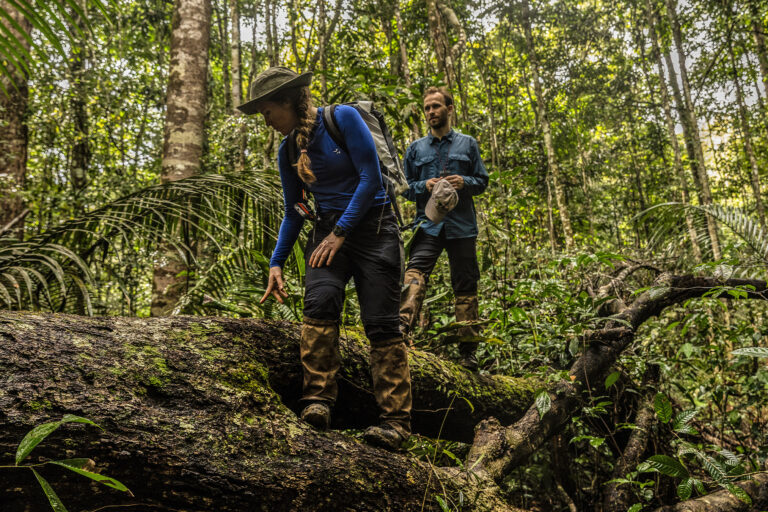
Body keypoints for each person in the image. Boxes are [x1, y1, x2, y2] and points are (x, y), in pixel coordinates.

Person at [236, 67, 412, 450]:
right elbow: (295, 209)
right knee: (319, 303)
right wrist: (276, 261)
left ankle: (396, 422)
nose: (266, 122)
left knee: (382, 324)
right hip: (328, 231)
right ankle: (317, 400)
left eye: (268, 112)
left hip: (374, 228)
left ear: (287, 101)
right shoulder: (288, 150)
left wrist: (340, 232)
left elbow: (371, 179)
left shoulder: (342, 119)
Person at [400, 87, 489, 370]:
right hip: (428, 226)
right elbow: (402, 187)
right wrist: (421, 186)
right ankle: (400, 333)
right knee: (414, 272)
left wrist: (465, 182)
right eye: (427, 108)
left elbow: (482, 181)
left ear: (449, 109)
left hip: (462, 227)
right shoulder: (416, 149)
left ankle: (468, 353)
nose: (431, 112)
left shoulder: (468, 144)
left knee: (465, 285)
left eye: (436, 106)